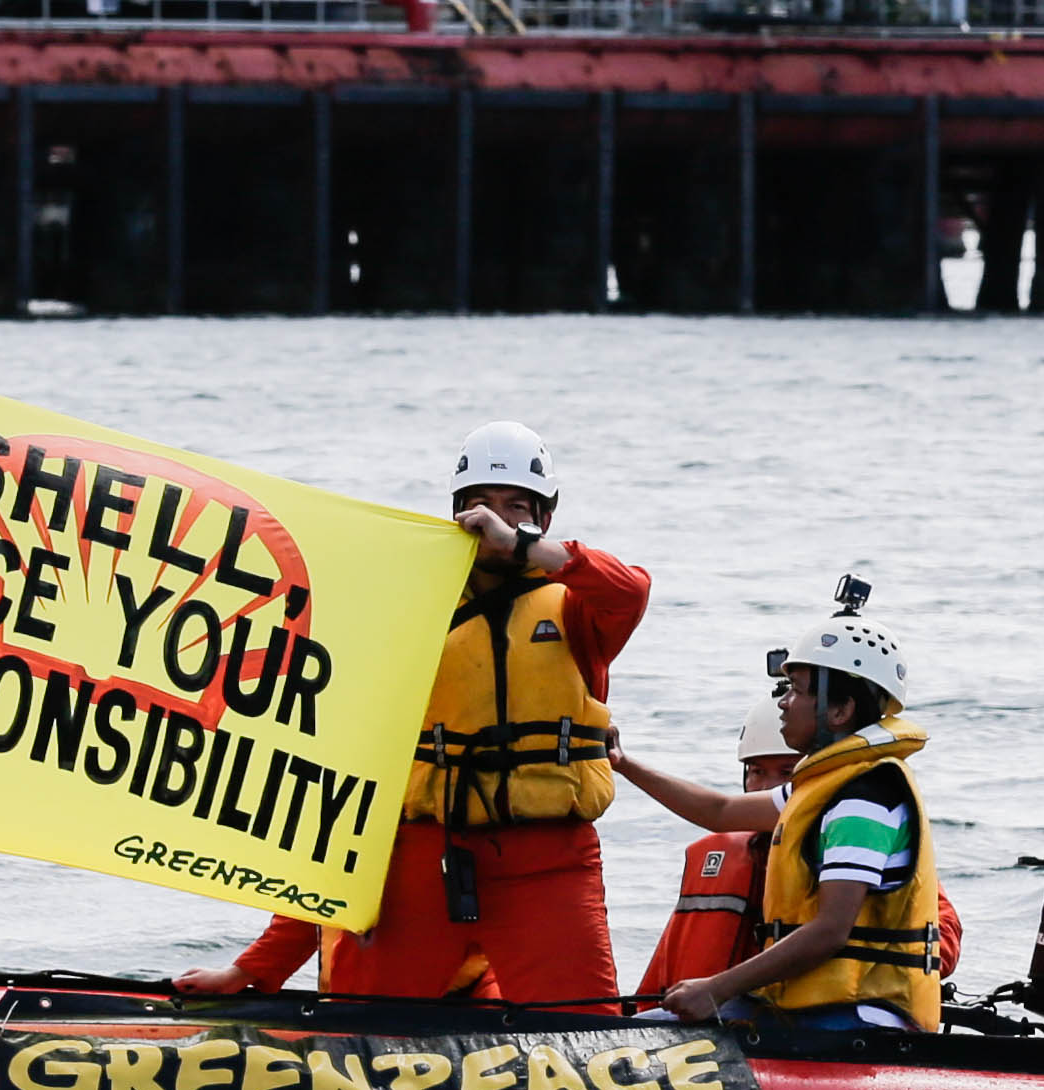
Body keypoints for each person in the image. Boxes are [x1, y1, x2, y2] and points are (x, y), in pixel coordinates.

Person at [172, 419, 650, 1006]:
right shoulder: (405, 607)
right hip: (418, 856)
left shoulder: (580, 607)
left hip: (549, 861)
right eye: (479, 504)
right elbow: (338, 804)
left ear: (544, 518)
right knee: (359, 1020)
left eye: (515, 507)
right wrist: (258, 966)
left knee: (585, 1031)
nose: (494, 519)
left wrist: (519, 547)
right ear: (455, 512)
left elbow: (631, 590)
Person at [649, 583, 947, 1032]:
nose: (784, 703)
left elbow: (830, 932)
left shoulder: (865, 799)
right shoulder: (825, 788)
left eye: (797, 690)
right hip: (812, 1005)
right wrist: (619, 760)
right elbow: (721, 811)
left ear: (842, 709)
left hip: (864, 1014)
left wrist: (717, 988)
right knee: (652, 1027)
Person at [620, 709, 801, 1002]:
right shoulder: (718, 855)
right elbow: (717, 811)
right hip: (701, 1018)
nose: (766, 787)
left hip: (783, 1016)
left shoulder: (833, 834)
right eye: (757, 772)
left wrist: (717, 990)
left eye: (786, 773)